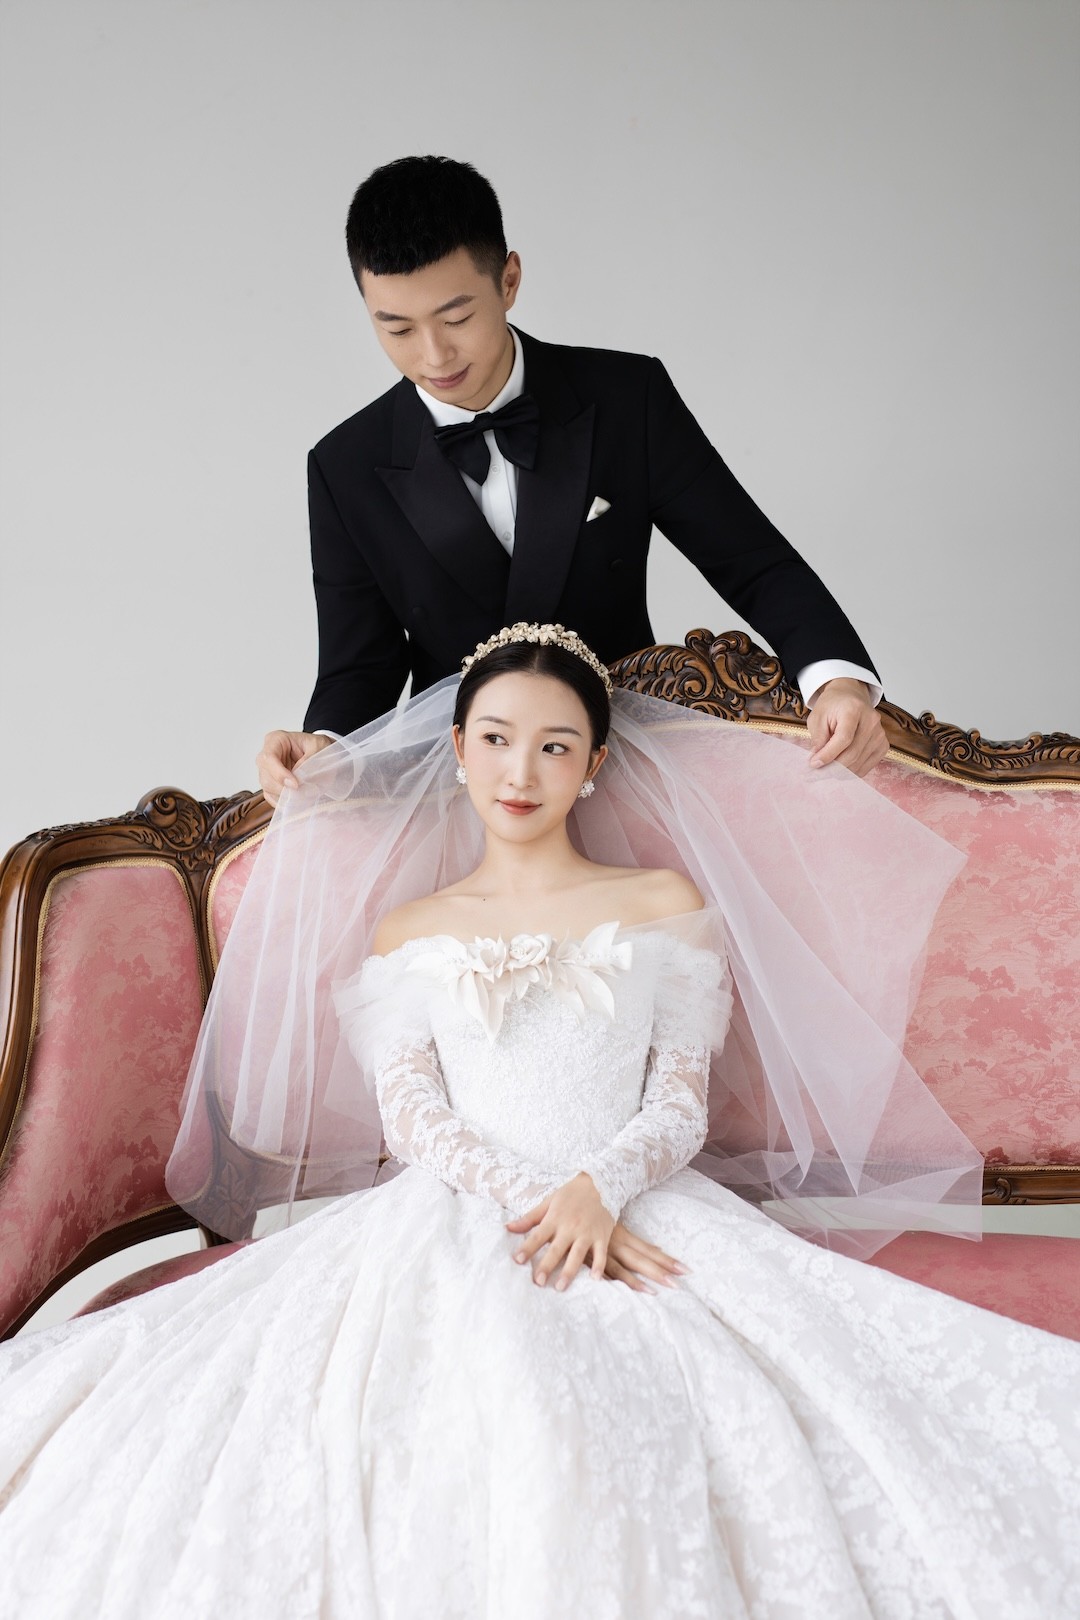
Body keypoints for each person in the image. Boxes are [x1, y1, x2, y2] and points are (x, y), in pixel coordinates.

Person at [1, 622, 1076, 1620]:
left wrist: (598, 1191)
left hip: (637, 1199)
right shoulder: (410, 929)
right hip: (455, 1210)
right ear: (457, 750)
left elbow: (679, 1100)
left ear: (594, 763)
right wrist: (537, 1200)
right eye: (497, 740)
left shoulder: (660, 903)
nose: (522, 772)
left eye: (556, 747)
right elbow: (412, 1115)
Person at [257, 155, 889, 807]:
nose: (433, 355)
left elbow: (752, 561)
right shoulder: (345, 464)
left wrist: (835, 679)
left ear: (509, 280)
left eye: (456, 318)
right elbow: (360, 666)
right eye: (396, 328)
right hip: (462, 790)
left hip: (626, 764)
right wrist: (324, 741)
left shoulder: (627, 399)